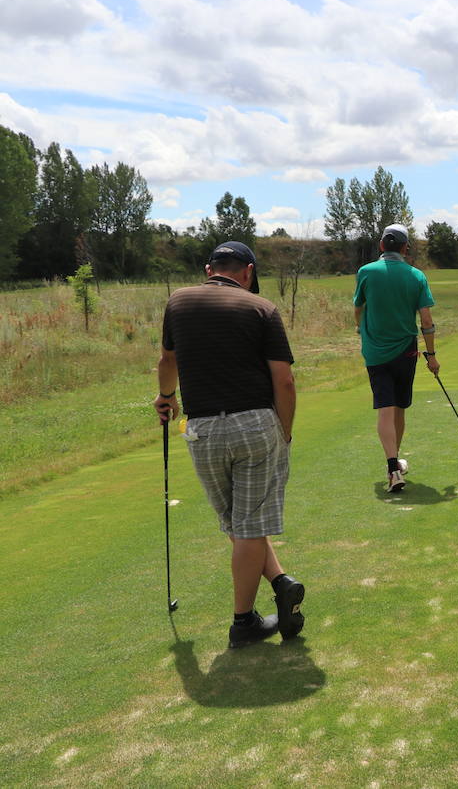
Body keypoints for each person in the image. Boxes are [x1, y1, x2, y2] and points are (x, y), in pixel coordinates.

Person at [155, 241, 305, 649]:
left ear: (209, 269)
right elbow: (285, 381)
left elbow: (167, 363)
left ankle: (280, 580)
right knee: (249, 526)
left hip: (200, 429)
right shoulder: (262, 309)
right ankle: (244, 623)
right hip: (255, 424)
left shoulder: (178, 302)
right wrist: (285, 432)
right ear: (248, 272)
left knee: (237, 525)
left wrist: (166, 397)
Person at [354, 224, 438, 492]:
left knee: (385, 408)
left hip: (375, 351)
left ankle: (393, 465)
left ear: (381, 246)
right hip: (406, 351)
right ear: (405, 248)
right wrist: (432, 355)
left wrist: (362, 330)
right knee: (399, 407)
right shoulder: (416, 276)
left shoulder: (365, 272)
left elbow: (358, 309)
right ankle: (394, 466)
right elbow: (426, 320)